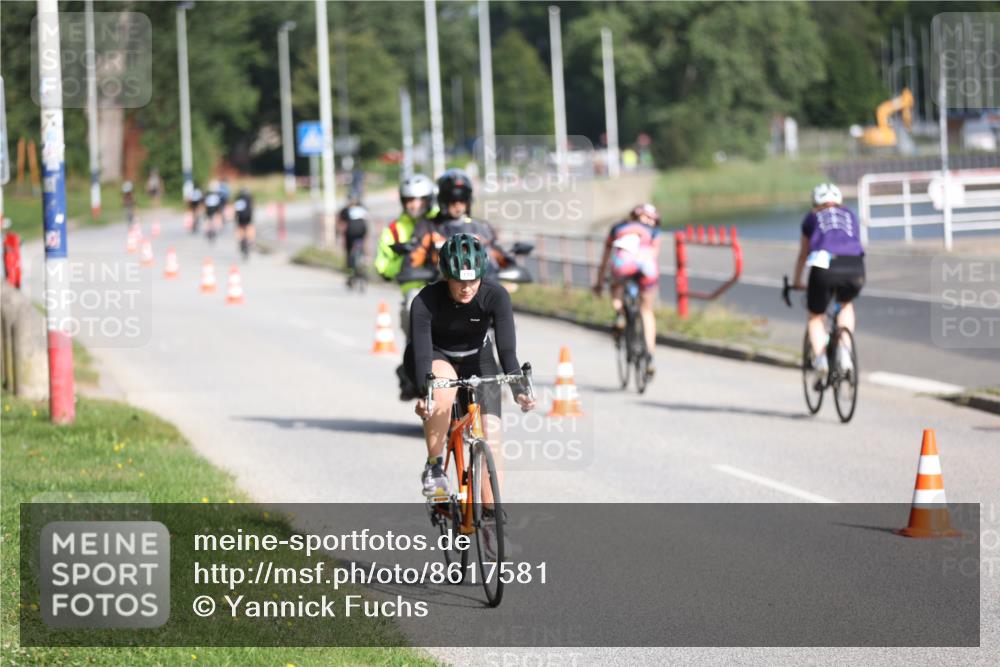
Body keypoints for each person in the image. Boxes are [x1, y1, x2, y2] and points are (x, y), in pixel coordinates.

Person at [407, 234, 535, 554]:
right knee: (444, 391)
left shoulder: (496, 296)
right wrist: (426, 393)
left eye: (473, 281)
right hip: (437, 355)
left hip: (479, 357)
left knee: (492, 435)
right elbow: (422, 354)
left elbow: (507, 350)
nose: (467, 288)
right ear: (446, 277)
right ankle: (435, 467)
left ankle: (491, 521)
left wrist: (519, 389)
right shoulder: (425, 301)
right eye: (459, 282)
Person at [374, 174, 440, 398]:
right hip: (415, 293)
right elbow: (382, 266)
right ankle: (413, 372)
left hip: (446, 286)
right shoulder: (394, 230)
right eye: (410, 199)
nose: (415, 204)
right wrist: (402, 258)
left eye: (420, 199)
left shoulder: (440, 221)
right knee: (412, 310)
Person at [792, 183, 865, 376]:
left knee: (815, 316)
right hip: (855, 264)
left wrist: (797, 281)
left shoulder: (812, 216)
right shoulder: (849, 214)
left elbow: (803, 254)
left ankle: (820, 360)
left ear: (815, 202)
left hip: (824, 263)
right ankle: (845, 352)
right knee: (845, 304)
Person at [593, 203, 663, 378]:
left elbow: (605, 260)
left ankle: (619, 313)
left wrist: (600, 283)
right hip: (646, 266)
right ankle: (650, 356)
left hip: (623, 263)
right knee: (646, 311)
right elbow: (653, 255)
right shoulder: (654, 231)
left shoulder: (618, 227)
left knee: (616, 285)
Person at [408, 169, 505, 272]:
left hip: (480, 284)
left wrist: (510, 264)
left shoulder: (481, 227)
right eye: (453, 199)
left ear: (468, 200)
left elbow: (502, 257)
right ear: (443, 200)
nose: (458, 204)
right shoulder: (428, 226)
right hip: (442, 284)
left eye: (462, 198)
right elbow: (412, 261)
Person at [342, 203, 369, 287]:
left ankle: (350, 275)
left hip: (351, 229)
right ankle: (364, 260)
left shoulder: (347, 209)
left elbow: (343, 223)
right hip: (362, 228)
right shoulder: (362, 207)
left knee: (349, 252)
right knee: (362, 245)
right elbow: (366, 220)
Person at [233, 187, 254, 260]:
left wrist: (235, 217)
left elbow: (237, 209)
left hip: (240, 217)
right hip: (248, 216)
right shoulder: (250, 197)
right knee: (249, 227)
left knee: (240, 228)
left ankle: (241, 240)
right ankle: (250, 240)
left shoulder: (238, 198)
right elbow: (252, 208)